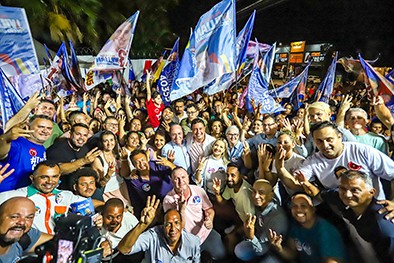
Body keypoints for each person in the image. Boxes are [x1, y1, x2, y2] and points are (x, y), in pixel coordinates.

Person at [278, 121, 394, 200]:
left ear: (339, 136)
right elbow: (295, 183)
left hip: (375, 211)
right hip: (343, 216)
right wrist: (280, 167)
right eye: (319, 141)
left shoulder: (362, 151)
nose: (325, 145)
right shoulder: (313, 161)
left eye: (329, 139)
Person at [0, 161, 89, 234]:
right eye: (44, 177)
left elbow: (91, 204)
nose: (50, 181)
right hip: (31, 252)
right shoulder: (17, 196)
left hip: (60, 250)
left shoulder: (66, 195)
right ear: (32, 178)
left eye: (54, 176)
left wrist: (97, 219)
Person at [163, 167, 226, 261]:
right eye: (176, 179)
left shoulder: (198, 190)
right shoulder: (168, 200)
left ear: (188, 178)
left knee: (221, 256)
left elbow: (209, 209)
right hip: (186, 240)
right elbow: (176, 227)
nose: (181, 181)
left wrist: (210, 219)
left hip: (205, 233)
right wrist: (181, 210)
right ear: (172, 181)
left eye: (183, 177)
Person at [117, 196, 200, 262]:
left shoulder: (193, 242)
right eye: (168, 224)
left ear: (182, 225)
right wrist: (142, 225)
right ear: (162, 226)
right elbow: (123, 249)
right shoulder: (153, 236)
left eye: (176, 223)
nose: (173, 228)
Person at [269, 193, 347, 263]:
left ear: (313, 209)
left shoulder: (326, 231)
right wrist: (279, 248)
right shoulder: (295, 226)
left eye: (303, 206)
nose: (298, 209)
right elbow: (292, 254)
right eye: (294, 206)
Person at [234, 179, 288, 262]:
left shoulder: (277, 218)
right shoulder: (257, 207)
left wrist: (251, 237)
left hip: (273, 251)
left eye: (261, 193)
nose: (255, 196)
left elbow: (262, 250)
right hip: (258, 241)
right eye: (254, 192)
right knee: (239, 250)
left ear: (271, 195)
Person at [0, 115, 53, 192]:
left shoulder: (42, 148)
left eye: (49, 128)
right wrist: (5, 139)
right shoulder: (17, 143)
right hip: (7, 194)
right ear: (28, 127)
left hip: (26, 195)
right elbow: (1, 153)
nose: (45, 131)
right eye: (40, 127)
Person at [46, 123, 100, 191]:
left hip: (81, 190)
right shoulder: (57, 148)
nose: (81, 137)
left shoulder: (86, 148)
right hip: (60, 191)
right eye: (78, 134)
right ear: (70, 134)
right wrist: (83, 161)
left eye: (85, 135)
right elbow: (58, 170)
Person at [0, 197, 53, 262]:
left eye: (29, 217)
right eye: (14, 217)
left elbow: (60, 243)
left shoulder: (24, 235)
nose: (22, 222)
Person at [127, 149, 174, 218]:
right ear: (134, 166)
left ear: (147, 159)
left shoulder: (158, 165)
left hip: (173, 200)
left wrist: (170, 164)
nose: (141, 164)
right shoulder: (135, 181)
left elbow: (178, 173)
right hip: (156, 211)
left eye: (143, 160)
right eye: (137, 162)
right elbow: (137, 202)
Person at [92, 131, 131, 207]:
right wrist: (109, 174)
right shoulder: (98, 158)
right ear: (101, 142)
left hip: (121, 188)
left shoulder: (117, 154)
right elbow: (100, 184)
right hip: (107, 192)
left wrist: (124, 160)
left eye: (111, 140)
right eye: (106, 141)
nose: (109, 143)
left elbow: (125, 174)